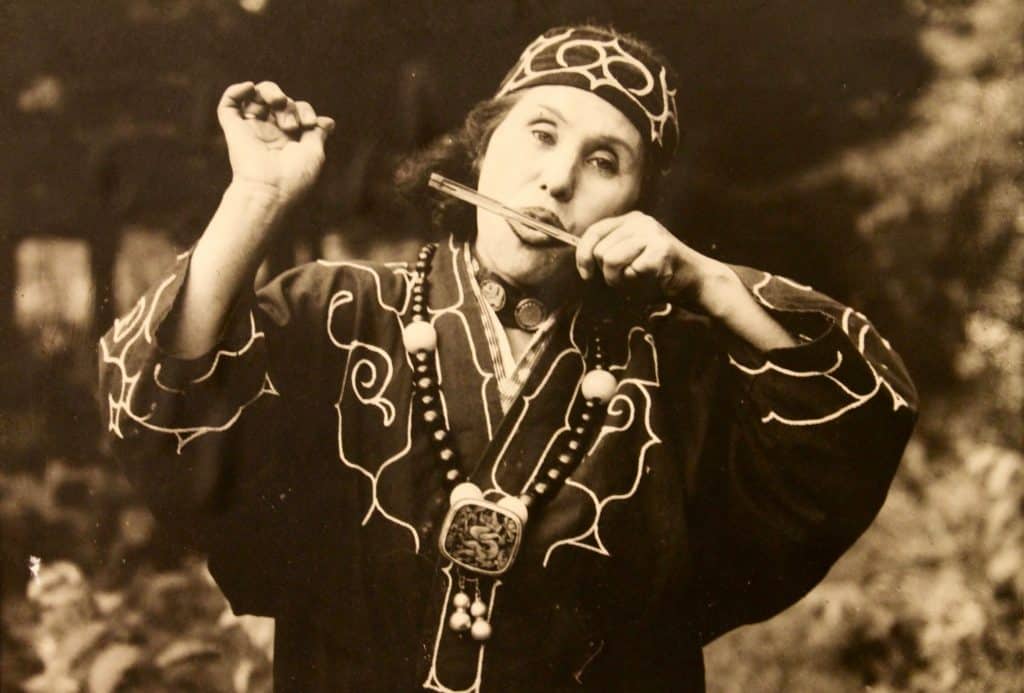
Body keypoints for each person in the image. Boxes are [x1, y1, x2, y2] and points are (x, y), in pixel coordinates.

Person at [99, 25, 918, 692]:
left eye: (606, 161)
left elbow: (848, 435)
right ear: (482, 148)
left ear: (633, 207)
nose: (558, 178)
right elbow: (159, 415)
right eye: (540, 133)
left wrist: (707, 280)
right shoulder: (335, 312)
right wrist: (259, 197)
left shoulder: (678, 361)